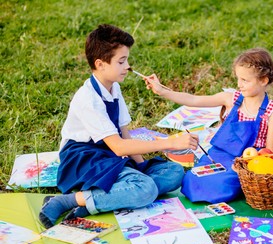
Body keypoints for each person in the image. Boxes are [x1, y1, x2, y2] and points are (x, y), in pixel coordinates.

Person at [39, 24, 199, 229]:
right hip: (84, 158)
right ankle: (66, 201)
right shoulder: (88, 98)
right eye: (121, 61)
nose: (128, 67)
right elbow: (120, 147)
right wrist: (170, 143)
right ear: (101, 64)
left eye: (127, 60)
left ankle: (98, 199)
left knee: (174, 172)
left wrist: (141, 166)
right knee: (146, 190)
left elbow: (124, 134)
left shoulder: (113, 88)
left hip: (109, 155)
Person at [145, 48, 273, 203]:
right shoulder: (232, 99)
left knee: (222, 185)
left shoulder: (272, 112)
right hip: (220, 154)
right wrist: (162, 91)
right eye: (238, 79)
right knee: (192, 178)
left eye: (245, 80)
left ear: (263, 80)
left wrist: (246, 166)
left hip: (248, 161)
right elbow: (193, 100)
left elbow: (269, 152)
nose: (239, 85)